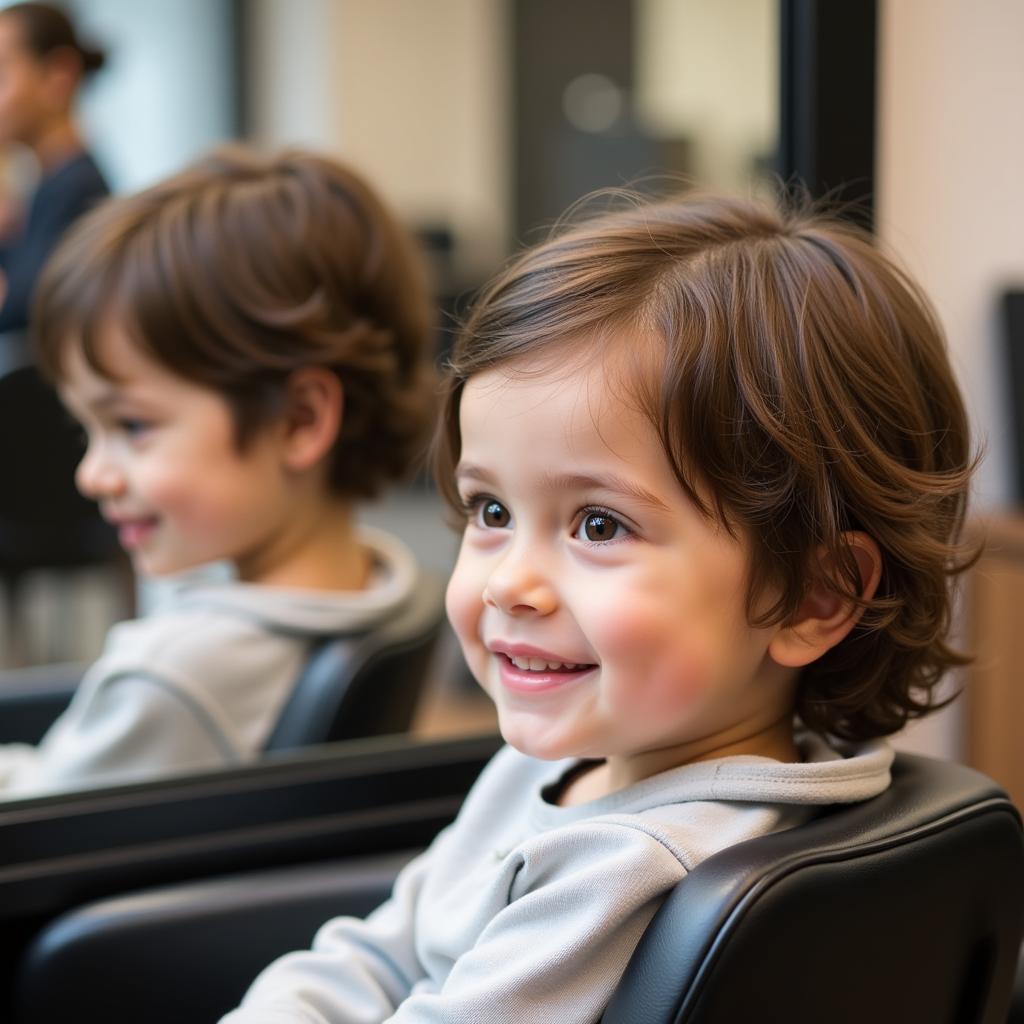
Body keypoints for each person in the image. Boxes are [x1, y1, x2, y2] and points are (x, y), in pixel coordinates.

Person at [220, 192, 977, 1023]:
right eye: (491, 512)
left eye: (598, 524)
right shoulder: (555, 763)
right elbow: (379, 953)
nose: (510, 583)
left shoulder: (623, 870)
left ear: (812, 595)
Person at [0, 144, 435, 794]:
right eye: (87, 430)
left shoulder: (176, 675)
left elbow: (35, 823)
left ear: (299, 420)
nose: (93, 475)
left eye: (133, 427)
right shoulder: (391, 588)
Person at [0, 2, 108, 335]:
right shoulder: (44, 187)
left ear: (58, 76)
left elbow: (23, 313)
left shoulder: (78, 191)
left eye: (1, 74)